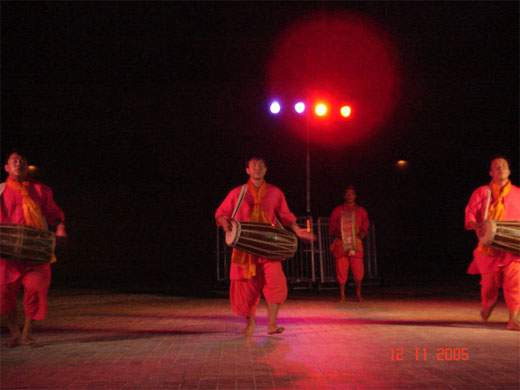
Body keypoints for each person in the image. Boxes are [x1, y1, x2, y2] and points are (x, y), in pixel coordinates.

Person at [215, 155, 314, 335]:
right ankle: (250, 323)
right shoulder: (238, 192)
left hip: (268, 246)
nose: (257, 168)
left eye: (261, 165)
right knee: (246, 287)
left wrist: (298, 231)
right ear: (247, 170)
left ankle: (272, 325)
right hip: (245, 247)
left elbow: (285, 214)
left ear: (266, 169)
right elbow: (221, 213)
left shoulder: (275, 192)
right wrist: (223, 222)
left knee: (275, 282)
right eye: (253, 165)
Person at [0, 151, 67, 347]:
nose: (18, 163)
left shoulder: (40, 190)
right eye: (14, 160)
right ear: (6, 167)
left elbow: (55, 214)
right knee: (3, 293)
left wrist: (61, 228)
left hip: (35, 251)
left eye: (22, 160)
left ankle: (27, 333)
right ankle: (14, 333)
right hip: (7, 253)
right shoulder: (1, 190)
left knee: (36, 290)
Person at [465, 156, 520, 331]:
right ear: (491, 172)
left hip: (513, 248)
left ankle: (515, 320)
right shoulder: (482, 192)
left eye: (504, 166)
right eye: (496, 166)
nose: (500, 168)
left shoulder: (518, 193)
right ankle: (488, 303)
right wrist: (476, 226)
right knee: (489, 286)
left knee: (515, 284)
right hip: (488, 248)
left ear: (509, 171)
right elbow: (471, 214)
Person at [329, 186, 370, 302]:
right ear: (344, 195)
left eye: (352, 193)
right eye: (347, 193)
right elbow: (332, 227)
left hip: (356, 244)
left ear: (355, 196)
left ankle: (358, 294)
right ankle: (342, 296)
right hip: (341, 244)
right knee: (341, 270)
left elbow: (365, 227)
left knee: (358, 271)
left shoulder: (361, 211)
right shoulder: (337, 210)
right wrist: (339, 233)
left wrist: (362, 233)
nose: (349, 196)